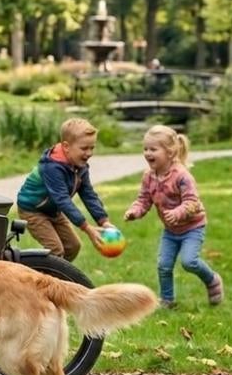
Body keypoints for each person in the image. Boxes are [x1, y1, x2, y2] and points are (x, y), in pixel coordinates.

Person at [123, 125, 221, 309]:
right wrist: (135, 211)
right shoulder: (149, 176)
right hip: (171, 230)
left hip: (192, 227)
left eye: (153, 149)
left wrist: (177, 213)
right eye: (145, 149)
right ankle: (167, 301)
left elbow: (192, 202)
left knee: (189, 262)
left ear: (169, 152)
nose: (147, 153)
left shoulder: (182, 176)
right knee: (164, 265)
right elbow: (144, 199)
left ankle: (213, 280)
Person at [16, 117, 114, 261]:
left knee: (73, 247)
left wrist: (103, 221)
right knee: (55, 249)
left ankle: (58, 278)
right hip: (33, 210)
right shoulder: (52, 167)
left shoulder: (80, 166)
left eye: (92, 147)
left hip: (53, 210)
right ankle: (39, 281)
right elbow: (62, 199)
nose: (89, 153)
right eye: (84, 148)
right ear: (66, 146)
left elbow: (88, 194)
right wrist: (87, 228)